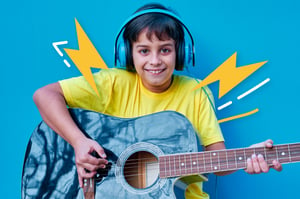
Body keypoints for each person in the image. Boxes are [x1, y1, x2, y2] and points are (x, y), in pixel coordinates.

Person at [33, 3, 282, 199]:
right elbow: (44, 95)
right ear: (127, 54)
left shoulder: (196, 92)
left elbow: (218, 161)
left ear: (181, 53)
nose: (155, 61)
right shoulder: (113, 83)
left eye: (165, 49)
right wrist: (78, 142)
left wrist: (248, 158)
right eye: (144, 51)